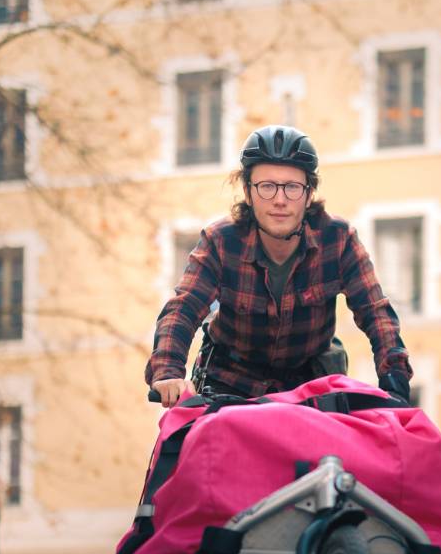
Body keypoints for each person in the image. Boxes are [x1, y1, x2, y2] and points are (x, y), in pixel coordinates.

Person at [146, 125, 412, 407]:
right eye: (267, 187)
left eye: (292, 187)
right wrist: (168, 370)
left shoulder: (338, 239)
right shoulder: (220, 241)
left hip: (311, 385)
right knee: (189, 446)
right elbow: (184, 308)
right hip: (230, 382)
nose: (280, 200)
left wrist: (394, 379)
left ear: (309, 194)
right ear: (248, 192)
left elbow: (376, 312)